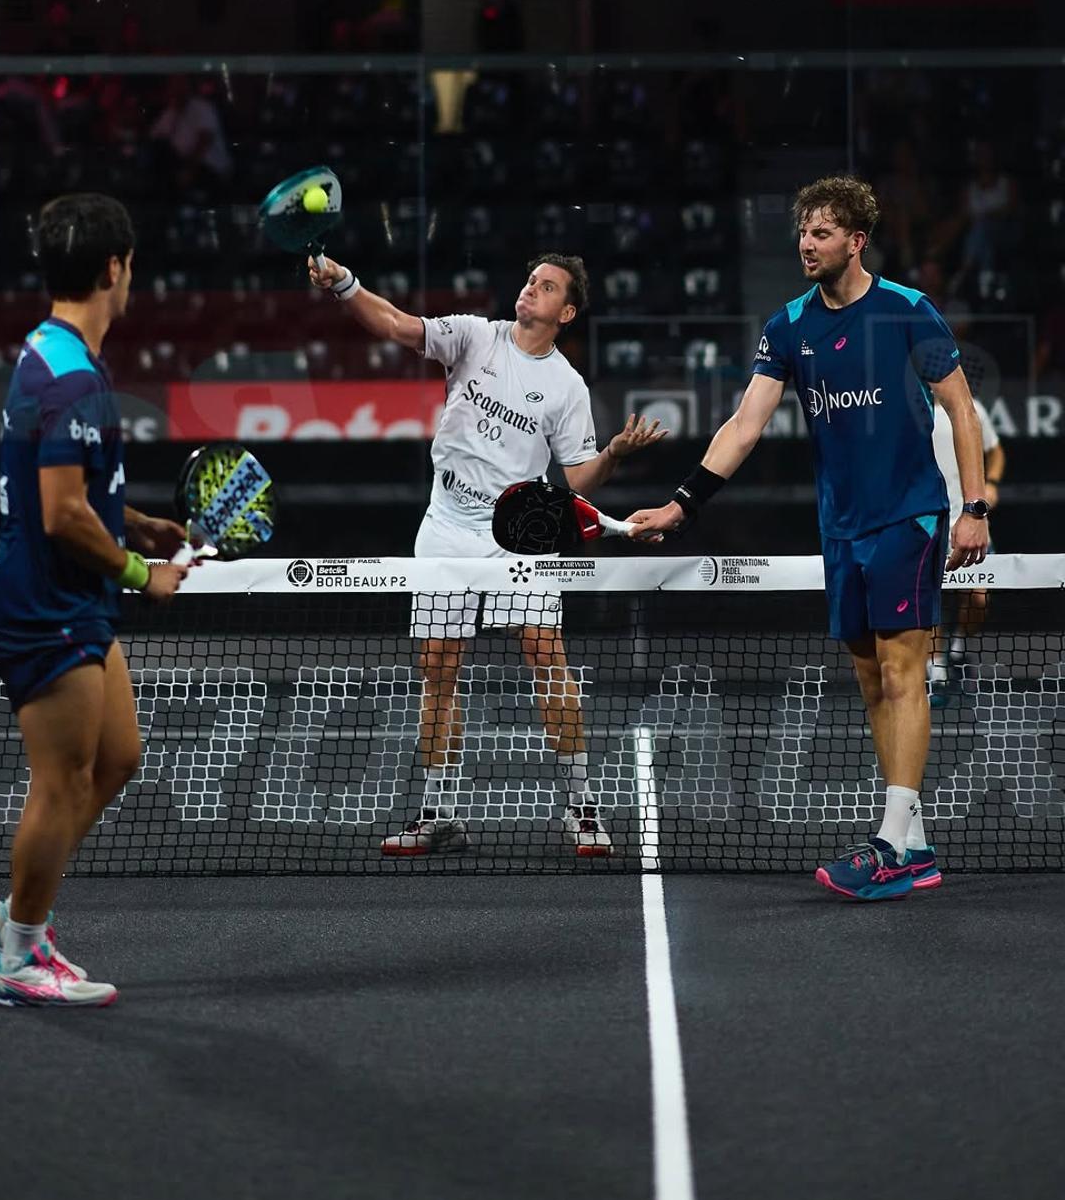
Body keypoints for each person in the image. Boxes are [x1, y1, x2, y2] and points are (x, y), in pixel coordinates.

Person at [628, 175, 990, 901]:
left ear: (856, 242)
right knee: (871, 679)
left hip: (909, 517)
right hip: (841, 528)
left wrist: (973, 506)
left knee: (903, 673)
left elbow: (960, 407)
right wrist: (681, 504)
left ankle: (889, 845)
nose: (805, 243)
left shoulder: (907, 311)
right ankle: (915, 844)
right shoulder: (789, 326)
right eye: (802, 231)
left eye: (821, 232)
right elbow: (744, 426)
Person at [308, 249, 664, 857]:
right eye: (530, 279)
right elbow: (396, 325)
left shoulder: (566, 387)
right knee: (438, 667)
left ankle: (581, 806)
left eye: (546, 286)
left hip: (517, 539)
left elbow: (579, 478)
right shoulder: (474, 336)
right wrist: (345, 284)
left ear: (566, 312)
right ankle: (439, 812)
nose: (531, 289)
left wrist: (614, 454)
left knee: (546, 656)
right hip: (446, 526)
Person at [0, 193, 190, 1006]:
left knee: (118, 757)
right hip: (45, 603)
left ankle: (13, 913)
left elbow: (72, 491)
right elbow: (62, 514)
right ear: (113, 268)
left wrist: (134, 521)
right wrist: (141, 572)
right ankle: (20, 956)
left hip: (73, 596)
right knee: (62, 782)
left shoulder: (55, 351)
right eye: (129, 267)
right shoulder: (70, 377)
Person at [928, 391, 1004, 705]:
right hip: (926, 522)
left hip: (969, 522)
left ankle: (957, 647)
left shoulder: (972, 408)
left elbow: (995, 451)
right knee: (928, 599)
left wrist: (991, 484)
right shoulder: (909, 410)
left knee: (978, 598)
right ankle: (936, 673)